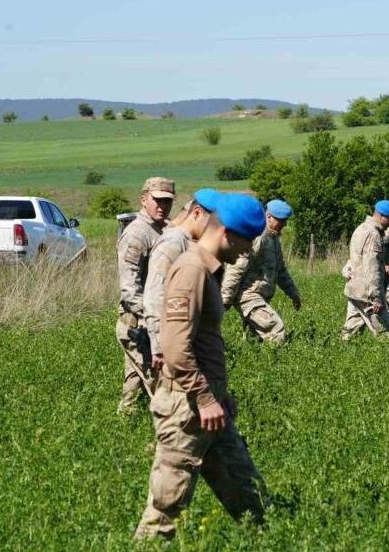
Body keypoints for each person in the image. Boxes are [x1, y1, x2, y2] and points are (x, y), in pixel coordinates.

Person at [134, 193, 268, 540]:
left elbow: (203, 344)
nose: (249, 251)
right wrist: (206, 398)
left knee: (248, 494)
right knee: (166, 508)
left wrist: (218, 397)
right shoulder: (191, 269)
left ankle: (268, 539)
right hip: (187, 408)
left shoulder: (209, 270)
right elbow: (176, 347)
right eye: (247, 241)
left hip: (209, 408)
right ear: (226, 233)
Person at [116, 176, 175, 415]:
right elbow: (129, 289)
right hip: (138, 322)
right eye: (157, 201)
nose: (162, 206)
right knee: (159, 382)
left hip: (150, 320)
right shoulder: (137, 234)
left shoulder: (164, 230)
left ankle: (124, 423)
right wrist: (156, 316)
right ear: (143, 199)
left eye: (167, 202)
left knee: (135, 378)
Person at [143, 189, 220, 372]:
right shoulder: (173, 243)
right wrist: (160, 347)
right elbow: (155, 295)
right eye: (212, 224)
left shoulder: (189, 243)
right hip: (168, 343)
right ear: (196, 213)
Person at [221, 199, 301, 344]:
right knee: (275, 329)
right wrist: (226, 297)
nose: (285, 224)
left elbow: (281, 271)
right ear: (268, 216)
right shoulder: (258, 237)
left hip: (260, 296)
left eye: (285, 220)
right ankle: (278, 364)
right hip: (248, 296)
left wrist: (293, 294)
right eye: (281, 220)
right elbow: (237, 267)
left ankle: (250, 361)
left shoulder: (273, 238)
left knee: (255, 340)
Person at [341, 200, 389, 340]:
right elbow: (372, 268)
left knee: (351, 329)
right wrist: (376, 298)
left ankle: (339, 352)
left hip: (354, 288)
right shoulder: (373, 235)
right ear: (381, 216)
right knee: (386, 333)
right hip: (366, 291)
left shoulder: (361, 228)